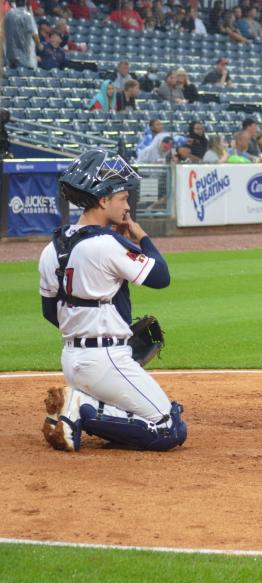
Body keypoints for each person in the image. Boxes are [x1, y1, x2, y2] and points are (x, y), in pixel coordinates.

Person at [38, 149, 186, 452]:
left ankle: (76, 408)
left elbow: (50, 312)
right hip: (105, 360)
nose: (128, 206)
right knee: (169, 428)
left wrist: (91, 327)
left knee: (142, 414)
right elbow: (161, 277)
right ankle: (81, 409)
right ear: (103, 200)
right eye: (122, 198)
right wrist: (141, 237)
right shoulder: (106, 244)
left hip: (71, 360)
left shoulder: (51, 248)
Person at [5, 0, 41, 70]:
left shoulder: (8, 14)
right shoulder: (27, 15)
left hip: (9, 52)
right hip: (24, 54)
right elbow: (33, 33)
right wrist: (38, 44)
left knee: (12, 74)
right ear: (25, 3)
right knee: (24, 75)